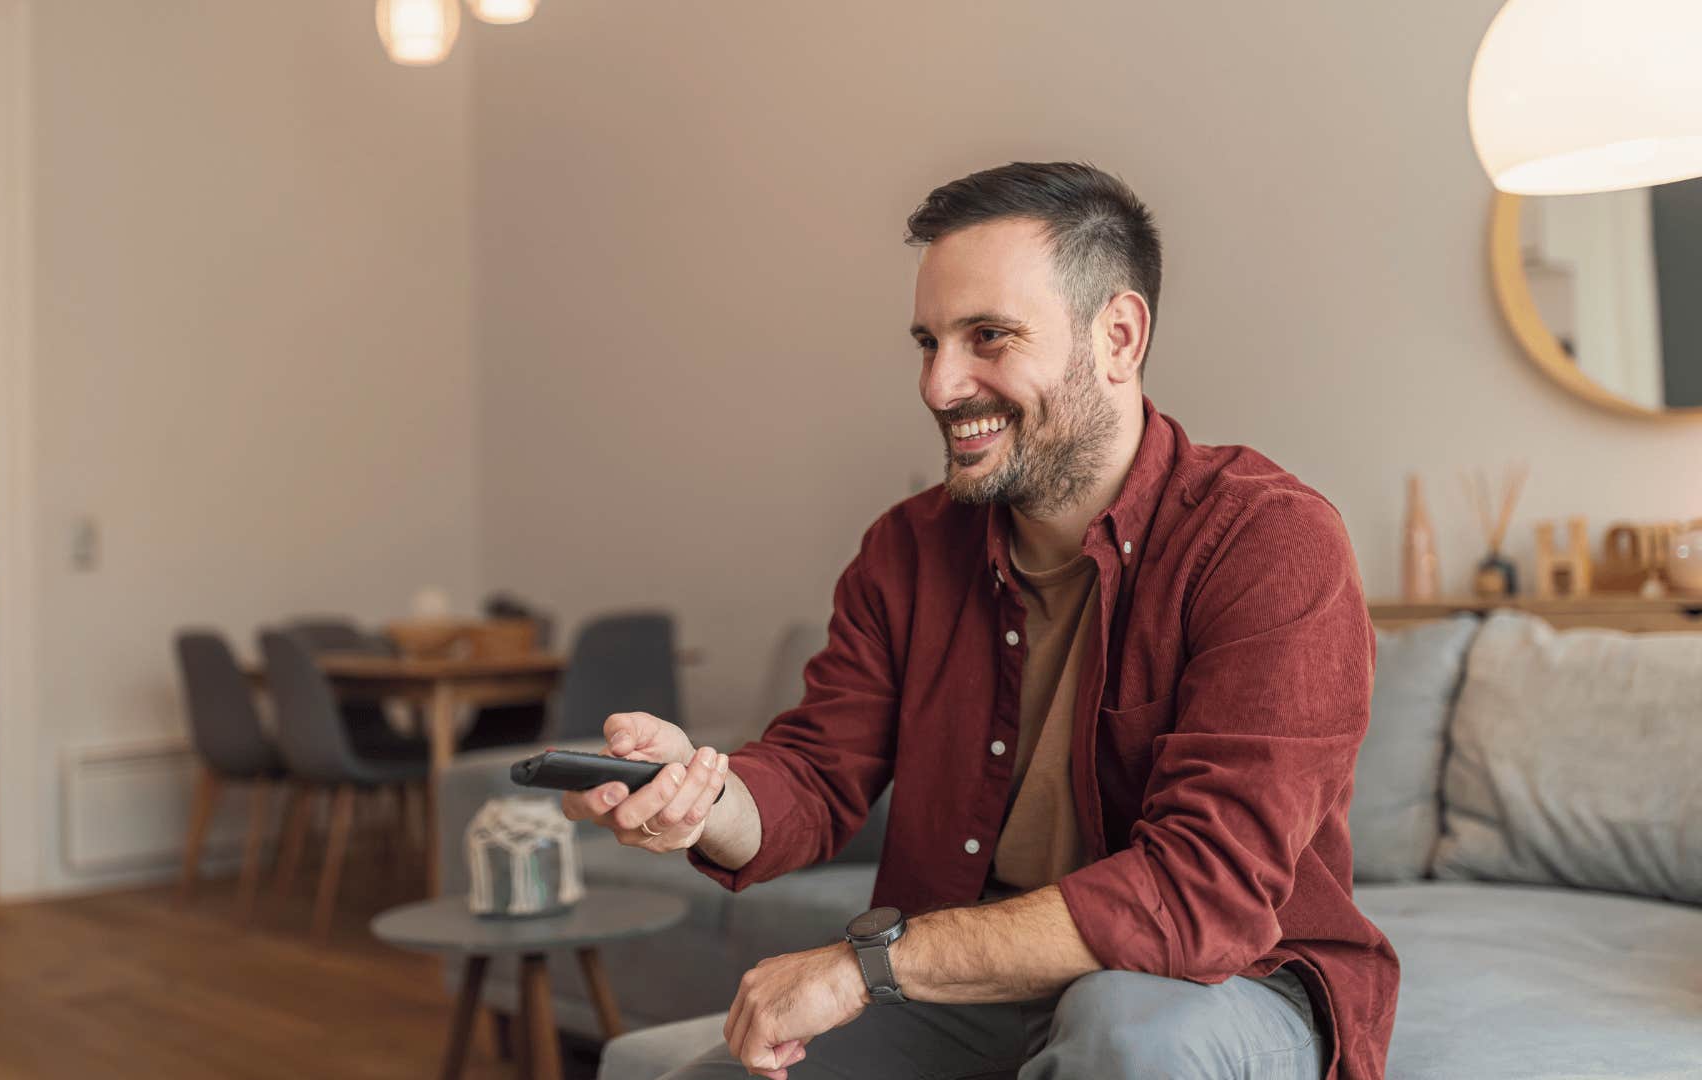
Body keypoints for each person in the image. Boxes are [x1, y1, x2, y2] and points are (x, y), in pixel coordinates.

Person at [563, 162, 1397, 1080]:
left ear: (1118, 336)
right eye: (928, 342)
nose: (939, 385)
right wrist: (698, 796)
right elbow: (814, 772)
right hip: (973, 990)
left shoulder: (1268, 541)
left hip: (1225, 985)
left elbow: (1202, 894)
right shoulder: (907, 551)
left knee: (1122, 1031)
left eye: (988, 337)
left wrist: (863, 966)